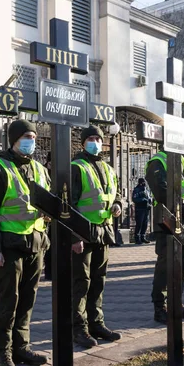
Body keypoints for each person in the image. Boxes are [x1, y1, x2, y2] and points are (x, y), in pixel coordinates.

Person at [0, 119, 50, 366]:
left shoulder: (40, 169)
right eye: (26, 136)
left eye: (33, 136)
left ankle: (21, 347)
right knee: (8, 301)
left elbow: (46, 202)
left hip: (36, 244)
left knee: (27, 301)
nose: (31, 141)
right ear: (14, 139)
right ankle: (4, 352)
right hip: (8, 247)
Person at [71, 125, 122, 348]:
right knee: (81, 283)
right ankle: (78, 328)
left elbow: (116, 193)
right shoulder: (76, 167)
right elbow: (69, 205)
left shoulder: (108, 168)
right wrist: (74, 236)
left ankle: (96, 323)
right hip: (84, 233)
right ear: (82, 143)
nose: (95, 142)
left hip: (104, 231)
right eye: (90, 139)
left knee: (98, 281)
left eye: (98, 139)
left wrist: (118, 204)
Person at [145, 150, 184, 324]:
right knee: (166, 266)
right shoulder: (158, 161)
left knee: (181, 266)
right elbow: (162, 191)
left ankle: (176, 303)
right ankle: (160, 308)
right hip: (167, 222)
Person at [132, 177, 152, 244]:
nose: (144, 183)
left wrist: (150, 201)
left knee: (145, 224)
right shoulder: (136, 190)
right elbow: (134, 199)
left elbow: (149, 197)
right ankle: (137, 238)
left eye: (144, 182)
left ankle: (143, 237)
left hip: (146, 209)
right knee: (139, 224)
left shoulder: (146, 190)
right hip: (139, 209)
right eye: (142, 182)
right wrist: (143, 200)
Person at [43, 152, 52, 281]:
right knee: (49, 246)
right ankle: (49, 272)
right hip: (45, 218)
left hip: (59, 215)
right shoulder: (43, 171)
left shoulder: (64, 170)